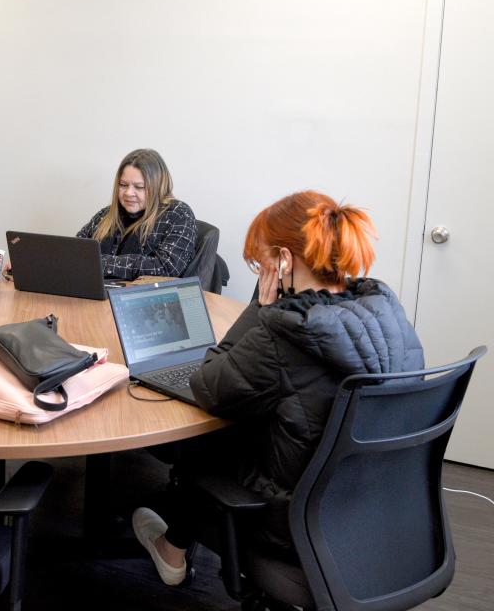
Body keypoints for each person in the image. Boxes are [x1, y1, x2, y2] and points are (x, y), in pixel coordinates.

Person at [132, 190, 424, 586]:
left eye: (261, 262)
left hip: (290, 521)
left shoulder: (285, 330)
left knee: (205, 439)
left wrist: (261, 309)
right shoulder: (386, 312)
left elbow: (207, 385)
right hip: (373, 511)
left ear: (284, 261)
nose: (259, 272)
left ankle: (173, 549)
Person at [76, 148, 197, 281]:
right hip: (95, 293)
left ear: (158, 187)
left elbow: (166, 268)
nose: (128, 193)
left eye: (139, 187)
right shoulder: (106, 214)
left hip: (143, 299)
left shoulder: (178, 214)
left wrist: (101, 263)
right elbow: (74, 252)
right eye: (123, 185)